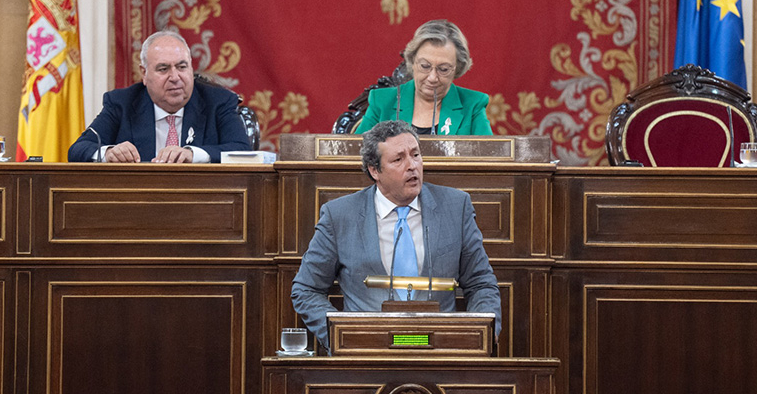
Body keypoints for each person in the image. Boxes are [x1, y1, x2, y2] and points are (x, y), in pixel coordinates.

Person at [291, 120, 501, 351]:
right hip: (367, 354)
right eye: (398, 159)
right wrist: (342, 337)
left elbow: (481, 283)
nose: (412, 166)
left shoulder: (455, 206)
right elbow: (306, 289)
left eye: (416, 155)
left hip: (441, 351)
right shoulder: (340, 215)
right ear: (374, 171)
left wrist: (480, 337)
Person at [68, 31, 251, 163]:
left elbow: (243, 152)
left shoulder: (218, 101)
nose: (175, 77)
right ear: (144, 74)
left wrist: (193, 154)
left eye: (182, 67)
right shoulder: (122, 103)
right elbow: (77, 150)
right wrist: (108, 152)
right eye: (163, 69)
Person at [354, 20, 492, 136]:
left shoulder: (473, 104)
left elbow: (490, 158)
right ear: (412, 62)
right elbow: (355, 155)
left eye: (443, 69)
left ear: (458, 68)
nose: (432, 77)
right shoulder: (382, 102)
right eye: (425, 66)